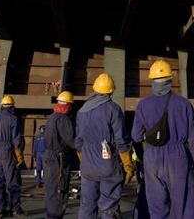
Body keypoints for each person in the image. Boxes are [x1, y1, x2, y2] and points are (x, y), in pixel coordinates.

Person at [132, 60, 194, 219]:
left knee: (156, 207)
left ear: (152, 81)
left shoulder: (143, 105)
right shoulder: (184, 104)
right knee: (184, 206)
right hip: (178, 158)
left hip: (152, 158)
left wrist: (148, 144)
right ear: (170, 80)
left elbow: (136, 136)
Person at [76, 73, 134, 219]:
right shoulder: (113, 109)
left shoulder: (82, 111)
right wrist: (128, 165)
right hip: (107, 166)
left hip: (88, 168)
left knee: (87, 206)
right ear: (110, 91)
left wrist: (84, 160)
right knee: (108, 207)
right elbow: (121, 140)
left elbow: (79, 142)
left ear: (94, 89)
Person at [0, 95, 25, 218]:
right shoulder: (14, 119)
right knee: (12, 180)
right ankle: (14, 208)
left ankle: (0, 209)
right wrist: (19, 154)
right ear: (12, 106)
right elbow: (17, 139)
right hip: (8, 150)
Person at [43, 90, 76, 219]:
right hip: (59, 159)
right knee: (59, 190)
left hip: (49, 156)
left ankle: (50, 215)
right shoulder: (63, 119)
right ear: (68, 105)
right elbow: (71, 140)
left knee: (51, 189)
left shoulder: (52, 117)